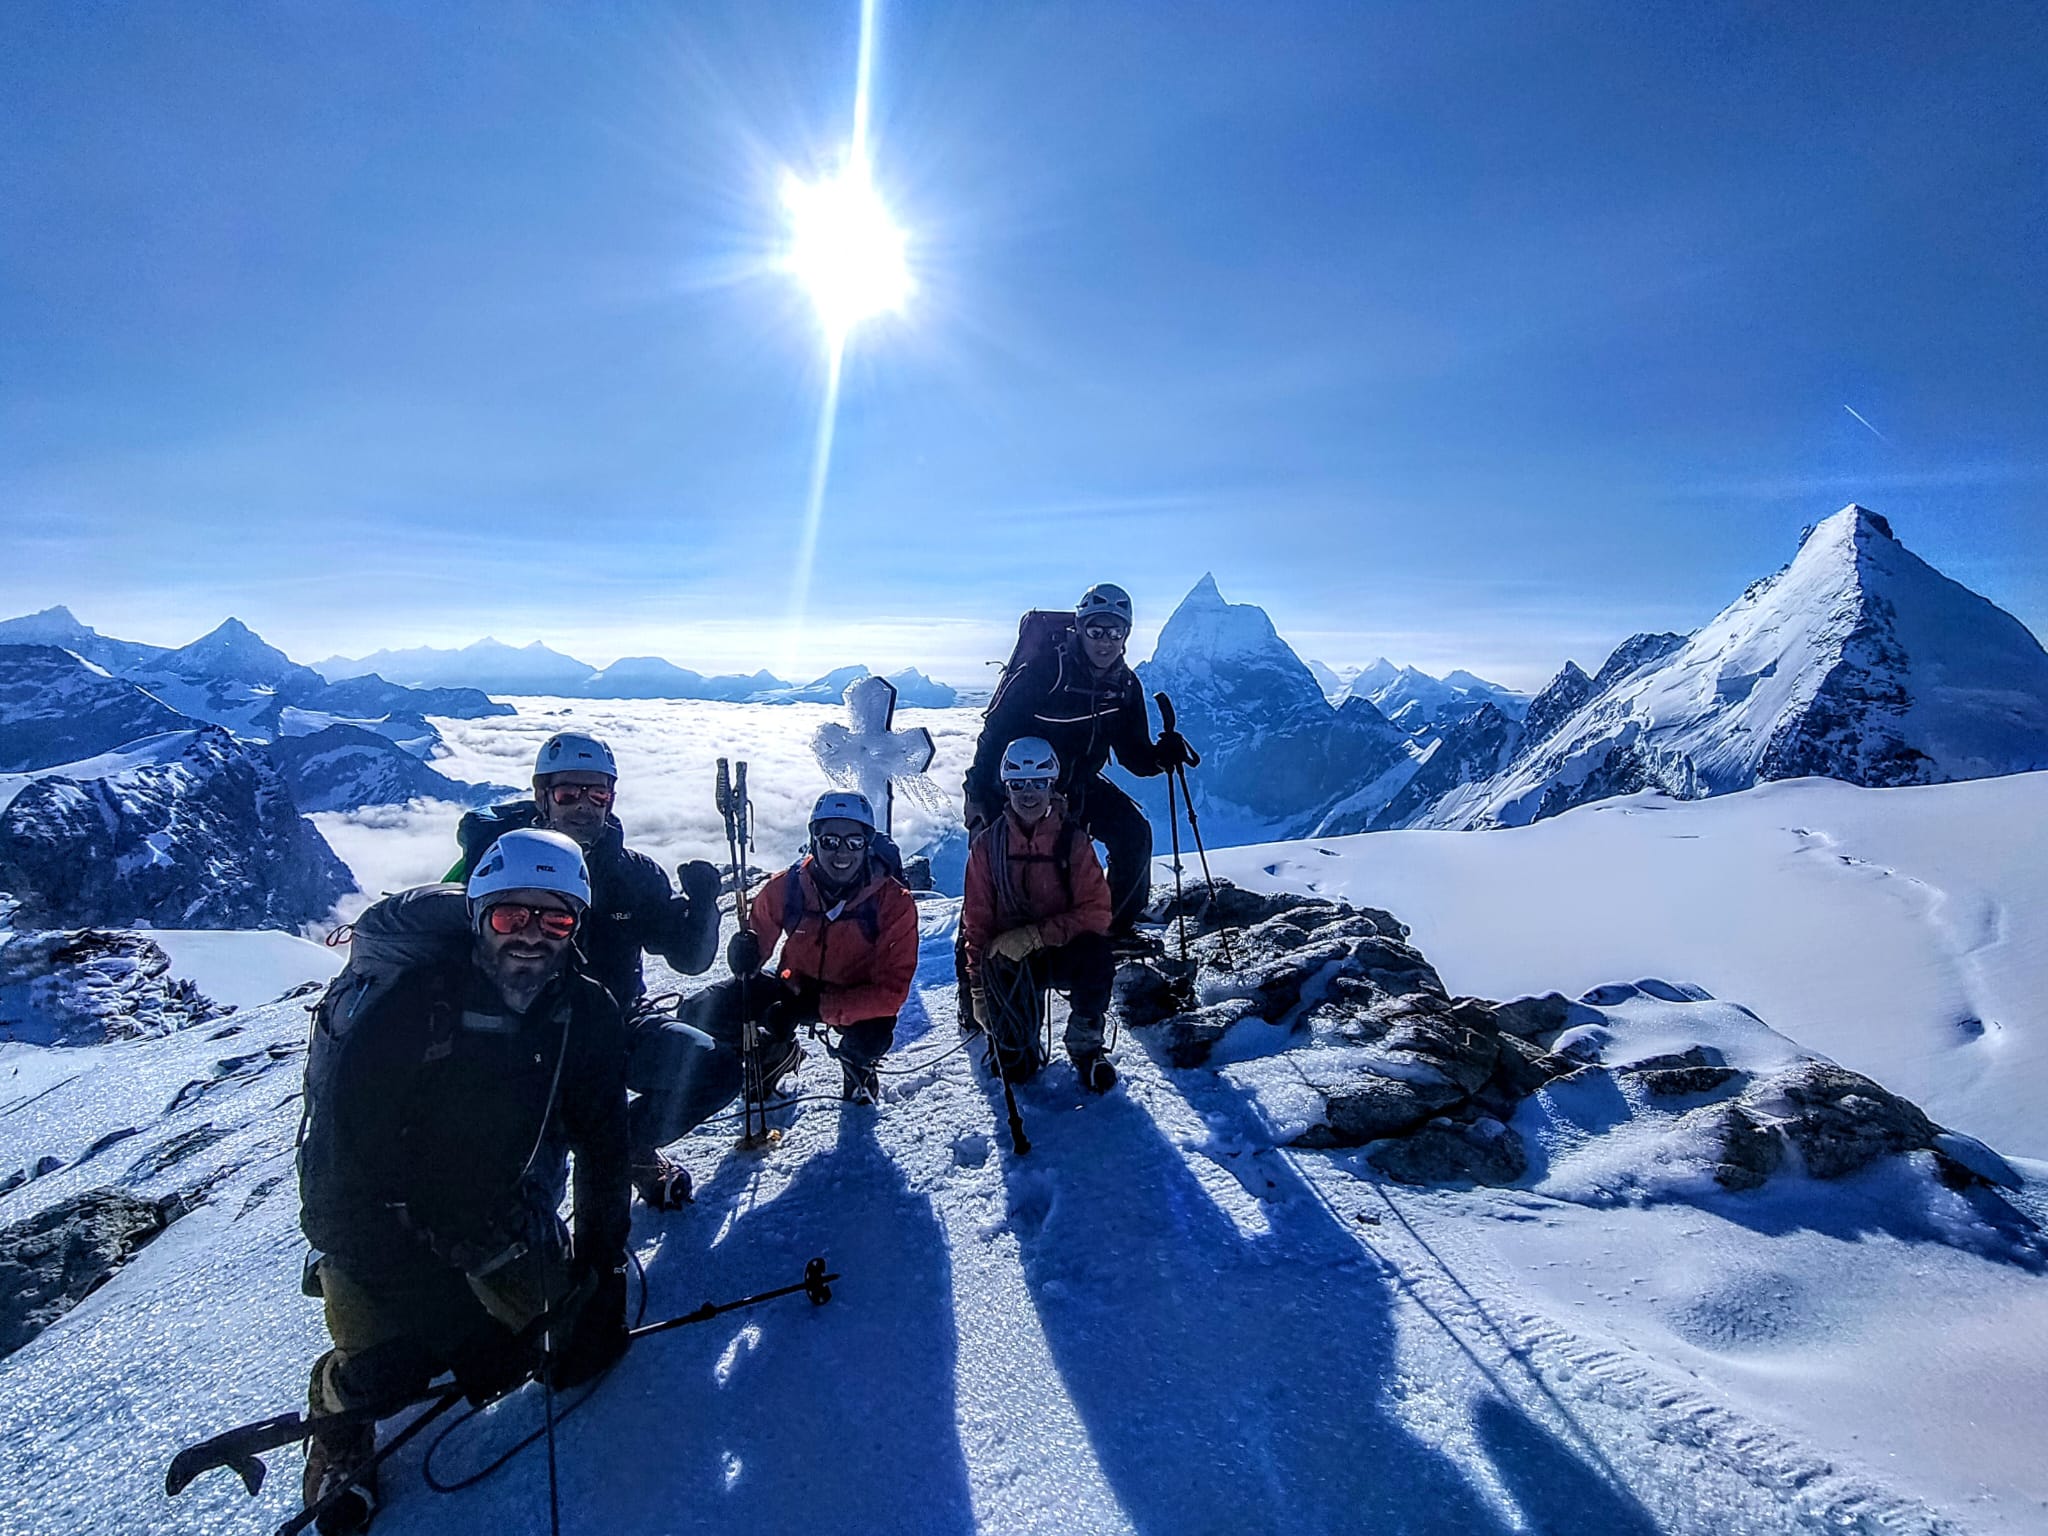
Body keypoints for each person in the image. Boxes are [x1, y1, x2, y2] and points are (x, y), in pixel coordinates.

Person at [296, 829, 630, 1535]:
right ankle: (336, 1408)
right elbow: (339, 1199)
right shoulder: (411, 1011)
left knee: (572, 1353)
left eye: (556, 919)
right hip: (381, 1235)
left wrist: (601, 1267)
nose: (533, 937)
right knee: (396, 1371)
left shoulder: (586, 1013)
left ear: (577, 926)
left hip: (493, 1218)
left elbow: (604, 1145)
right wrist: (457, 1327)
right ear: (479, 916)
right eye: (513, 917)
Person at [446, 731, 723, 1208]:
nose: (584, 806)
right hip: (525, 1044)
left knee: (712, 1067)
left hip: (618, 1026)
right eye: (568, 793)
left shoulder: (632, 875)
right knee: (530, 1200)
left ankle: (626, 1149)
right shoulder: (492, 866)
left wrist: (702, 907)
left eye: (598, 794)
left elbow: (687, 959)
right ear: (542, 796)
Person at [964, 583, 1195, 944]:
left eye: (1115, 631)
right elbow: (995, 732)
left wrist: (1162, 757)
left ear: (1126, 635)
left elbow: (1133, 756)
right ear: (1080, 628)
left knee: (1134, 835)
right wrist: (977, 792)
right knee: (1015, 865)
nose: (1105, 641)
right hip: (1026, 787)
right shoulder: (1044, 672)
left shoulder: (1124, 688)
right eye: (1096, 630)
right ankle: (990, 949)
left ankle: (1109, 931)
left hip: (1081, 784)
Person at [702, 790, 919, 1107]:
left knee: (873, 1036)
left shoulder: (893, 903)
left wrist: (816, 1009)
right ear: (814, 841)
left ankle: (858, 1065)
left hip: (854, 994)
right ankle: (772, 1054)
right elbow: (757, 941)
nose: (841, 852)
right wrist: (744, 954)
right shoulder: (787, 887)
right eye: (830, 841)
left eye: (854, 842)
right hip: (795, 985)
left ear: (867, 844)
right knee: (708, 1009)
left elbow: (890, 992)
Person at [961, 737, 1119, 1092]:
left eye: (1038, 783)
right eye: (1018, 784)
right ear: (1007, 788)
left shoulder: (1073, 842)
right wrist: (979, 988)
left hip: (1061, 951)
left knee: (1096, 953)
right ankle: (1015, 1045)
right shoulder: (988, 846)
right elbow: (977, 920)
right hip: (1009, 963)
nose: (1028, 793)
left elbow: (1096, 914)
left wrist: (1035, 936)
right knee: (1016, 1070)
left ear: (1052, 786)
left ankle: (1086, 1047)